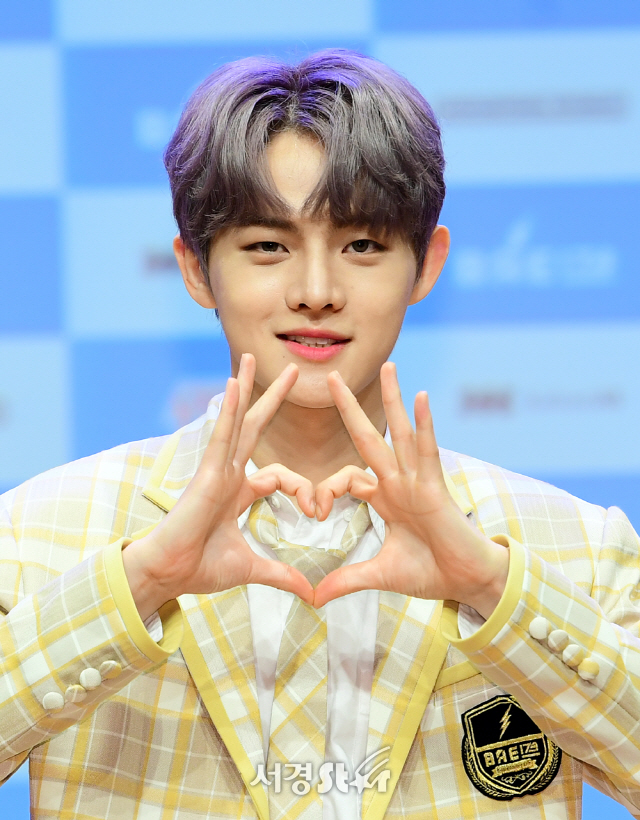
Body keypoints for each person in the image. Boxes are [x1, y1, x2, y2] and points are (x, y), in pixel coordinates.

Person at [1, 49, 639, 820]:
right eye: (267, 246)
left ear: (426, 264)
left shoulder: (578, 549)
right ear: (196, 270)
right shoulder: (36, 536)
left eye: (362, 245)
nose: (315, 292)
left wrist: (489, 587)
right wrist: (142, 583)